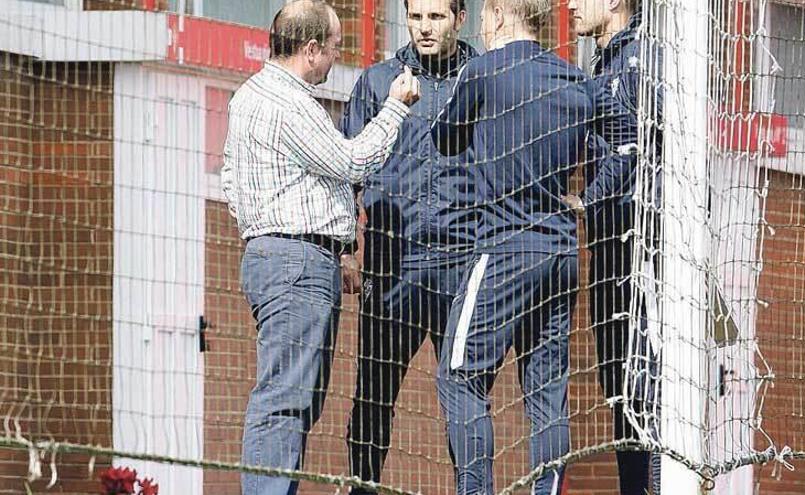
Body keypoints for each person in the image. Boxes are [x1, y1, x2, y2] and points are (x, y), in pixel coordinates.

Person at [430, 0, 637, 491]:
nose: (480, 25)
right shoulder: (575, 80)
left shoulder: (481, 72)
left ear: (499, 15)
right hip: (562, 253)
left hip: (504, 247)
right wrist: (588, 199)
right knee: (546, 393)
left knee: (458, 376)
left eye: (482, 16)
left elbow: (444, 138)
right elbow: (629, 140)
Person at [220, 1, 420, 493]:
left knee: (296, 396)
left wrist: (337, 246)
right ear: (310, 49)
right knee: (286, 398)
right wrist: (395, 106)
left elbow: (230, 178)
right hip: (295, 264)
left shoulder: (248, 96)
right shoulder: (286, 102)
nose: (336, 56)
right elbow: (354, 161)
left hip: (286, 256)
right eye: (333, 47)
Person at [340, 0, 479, 492]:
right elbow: (344, 171)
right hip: (390, 262)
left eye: (436, 17)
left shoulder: (481, 80)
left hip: (460, 265)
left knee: (466, 398)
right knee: (372, 397)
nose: (423, 27)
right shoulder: (377, 83)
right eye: (415, 16)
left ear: (461, 19)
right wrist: (344, 249)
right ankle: (363, 488)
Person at [567, 0, 662, 493]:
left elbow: (638, 141)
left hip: (638, 240)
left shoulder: (644, 56)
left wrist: (588, 199)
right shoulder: (601, 61)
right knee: (619, 388)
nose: (571, 4)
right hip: (608, 242)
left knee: (645, 384)